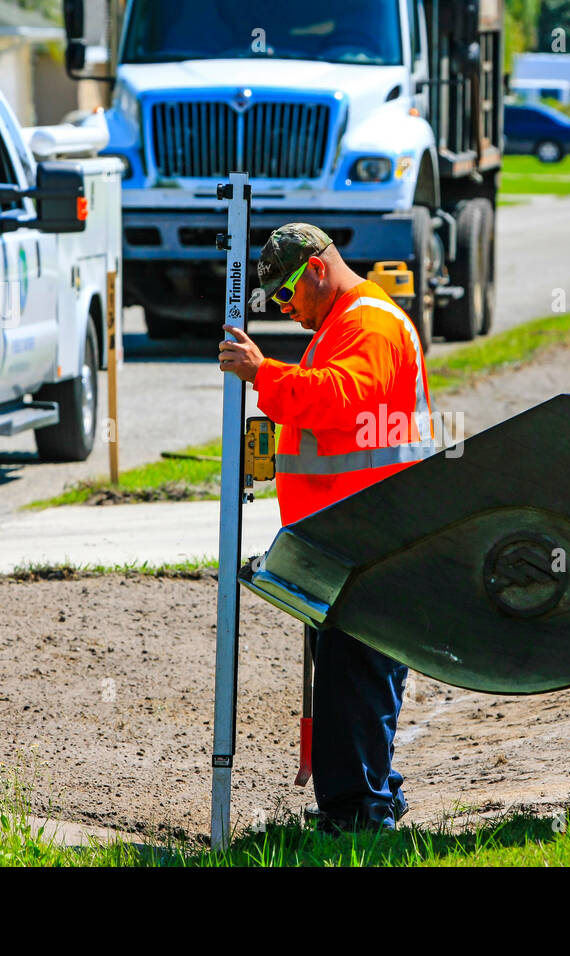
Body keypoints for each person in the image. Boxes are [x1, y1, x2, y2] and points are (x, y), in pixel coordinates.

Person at [217, 223, 435, 833]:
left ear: (316, 268)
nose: (284, 308)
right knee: (355, 674)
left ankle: (357, 816)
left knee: (354, 679)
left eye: (287, 293)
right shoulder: (341, 324)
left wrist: (265, 374)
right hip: (354, 537)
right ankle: (373, 797)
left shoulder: (369, 322)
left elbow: (343, 400)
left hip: (374, 538)